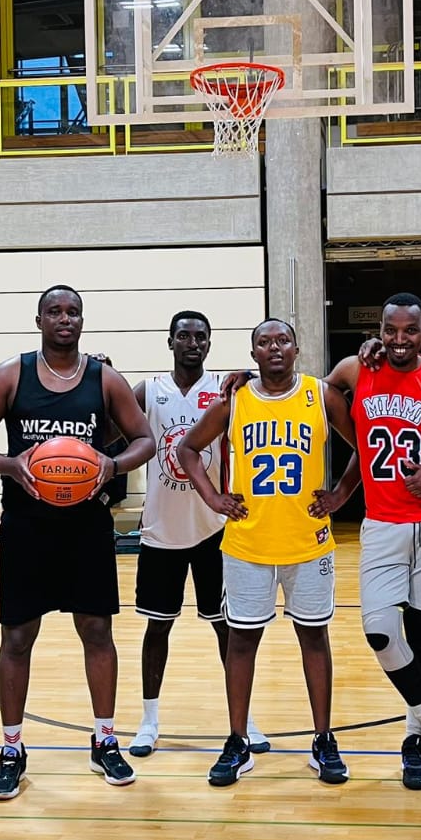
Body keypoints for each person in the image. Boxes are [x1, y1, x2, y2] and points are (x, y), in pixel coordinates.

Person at [0, 285, 155, 796]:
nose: (65, 319)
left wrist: (113, 464)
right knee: (17, 638)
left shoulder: (103, 378)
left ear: (82, 321)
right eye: (55, 311)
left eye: (73, 312)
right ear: (39, 319)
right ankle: (12, 746)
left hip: (86, 525)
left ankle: (105, 740)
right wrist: (8, 464)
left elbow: (145, 440)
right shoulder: (10, 375)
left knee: (97, 631)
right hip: (27, 524)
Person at [177, 319, 356, 787]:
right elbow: (187, 450)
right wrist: (214, 498)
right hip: (247, 543)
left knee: (314, 638)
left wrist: (340, 494)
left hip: (307, 541)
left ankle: (323, 739)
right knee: (242, 641)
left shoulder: (321, 395)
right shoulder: (234, 400)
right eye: (264, 342)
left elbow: (365, 444)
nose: (274, 348)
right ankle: (237, 740)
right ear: (252, 353)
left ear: (297, 348)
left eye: (282, 340)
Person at [314, 293, 421, 789]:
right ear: (378, 331)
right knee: (381, 630)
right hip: (383, 521)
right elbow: (308, 394)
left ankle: (415, 739)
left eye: (410, 331)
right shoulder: (355, 370)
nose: (399, 340)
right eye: (390, 330)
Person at [128, 311, 268, 757]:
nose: (192, 343)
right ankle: (149, 720)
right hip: (160, 531)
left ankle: (242, 720)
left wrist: (250, 371)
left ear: (209, 344)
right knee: (158, 627)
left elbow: (274, 383)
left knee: (228, 629)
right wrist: (98, 371)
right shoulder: (149, 390)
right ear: (169, 341)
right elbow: (111, 420)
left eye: (200, 337)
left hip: (215, 530)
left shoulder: (229, 390)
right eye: (184, 336)